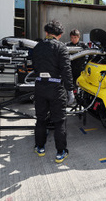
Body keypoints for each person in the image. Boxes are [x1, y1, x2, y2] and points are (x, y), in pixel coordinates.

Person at [32, 19, 74, 163]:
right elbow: (66, 71)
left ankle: (40, 147)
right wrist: (70, 90)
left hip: (40, 87)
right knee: (59, 121)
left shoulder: (37, 47)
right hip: (56, 88)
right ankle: (60, 152)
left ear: (46, 32)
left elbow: (35, 67)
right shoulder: (61, 48)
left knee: (41, 119)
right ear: (60, 34)